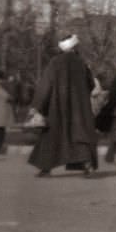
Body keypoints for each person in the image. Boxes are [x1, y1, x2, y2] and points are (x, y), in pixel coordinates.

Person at [27, 33, 98, 177]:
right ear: (74, 47)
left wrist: (37, 105)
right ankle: (87, 165)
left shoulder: (55, 62)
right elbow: (91, 85)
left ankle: (46, 168)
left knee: (51, 136)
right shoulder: (82, 63)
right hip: (79, 107)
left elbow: (45, 85)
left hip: (58, 106)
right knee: (80, 135)